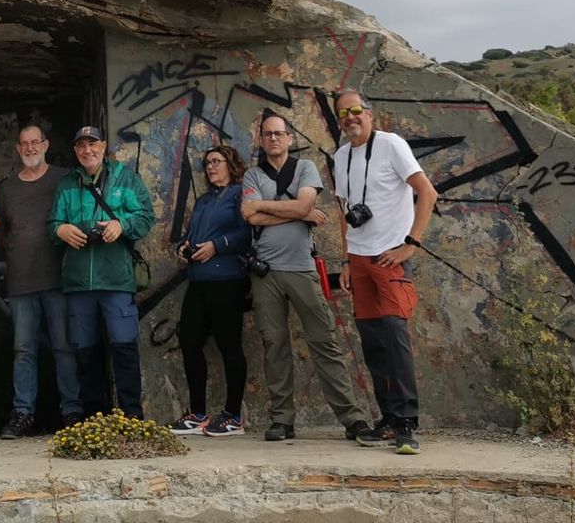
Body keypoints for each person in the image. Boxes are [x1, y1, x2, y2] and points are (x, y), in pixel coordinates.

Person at [240, 110, 378, 444]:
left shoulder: (305, 168)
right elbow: (248, 214)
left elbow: (303, 207)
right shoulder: (252, 175)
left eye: (279, 134)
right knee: (274, 346)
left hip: (301, 268)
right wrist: (296, 214)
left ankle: (353, 419)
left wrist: (268, 209)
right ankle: (282, 420)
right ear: (261, 140)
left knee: (325, 343)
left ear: (289, 139)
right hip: (265, 272)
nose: (273, 138)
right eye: (268, 134)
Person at [331, 90, 438, 456]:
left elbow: (428, 193)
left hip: (390, 257)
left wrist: (412, 243)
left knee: (395, 337)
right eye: (343, 113)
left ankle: (407, 420)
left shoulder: (392, 145)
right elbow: (344, 210)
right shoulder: (340, 156)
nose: (350, 117)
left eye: (356, 110)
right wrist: (346, 259)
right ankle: (389, 418)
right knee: (373, 341)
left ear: (370, 114)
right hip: (359, 259)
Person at [49, 125, 155, 419]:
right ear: (75, 150)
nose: (87, 150)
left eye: (92, 144)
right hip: (79, 281)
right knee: (86, 354)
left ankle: (132, 418)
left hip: (117, 280)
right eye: (81, 145)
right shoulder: (67, 183)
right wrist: (61, 229)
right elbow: (51, 224)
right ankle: (95, 418)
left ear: (104, 146)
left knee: (124, 350)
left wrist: (121, 224)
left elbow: (146, 216)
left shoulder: (125, 177)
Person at [0, 124, 80, 438]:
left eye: (35, 143)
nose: (29, 148)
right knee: (23, 350)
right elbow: (0, 231)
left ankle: (72, 412)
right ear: (18, 149)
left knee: (64, 348)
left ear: (45, 145)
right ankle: (22, 413)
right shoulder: (6, 189)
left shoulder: (65, 179)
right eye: (24, 144)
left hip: (59, 280)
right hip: (20, 282)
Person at [170, 144, 253, 437]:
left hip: (227, 280)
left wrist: (217, 246)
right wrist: (185, 246)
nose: (211, 167)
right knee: (190, 341)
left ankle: (233, 416)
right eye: (207, 163)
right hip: (198, 280)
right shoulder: (205, 200)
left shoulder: (240, 194)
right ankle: (197, 413)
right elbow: (193, 233)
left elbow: (248, 232)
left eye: (217, 161)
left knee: (230, 346)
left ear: (231, 164)